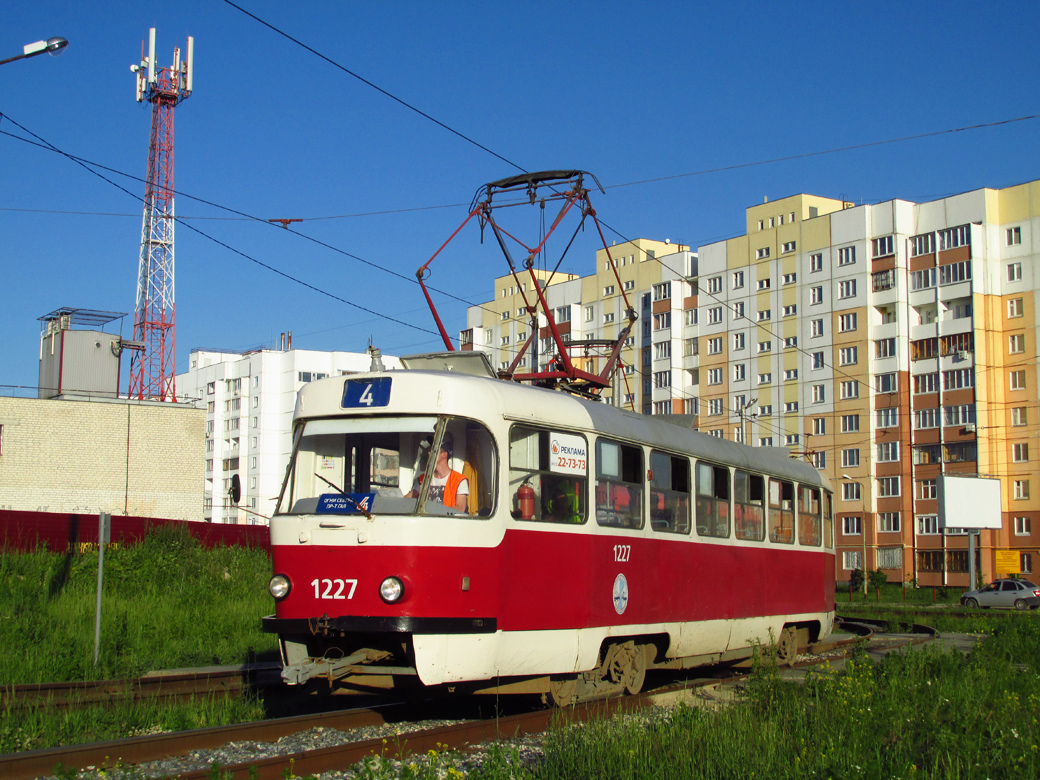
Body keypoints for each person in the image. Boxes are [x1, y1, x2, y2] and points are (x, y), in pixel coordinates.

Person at [408, 433, 469, 513]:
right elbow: (407, 499)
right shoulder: (422, 479)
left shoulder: (459, 480)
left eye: (434, 450)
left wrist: (434, 511)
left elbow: (460, 509)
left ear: (444, 455)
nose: (429, 453)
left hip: (446, 524)